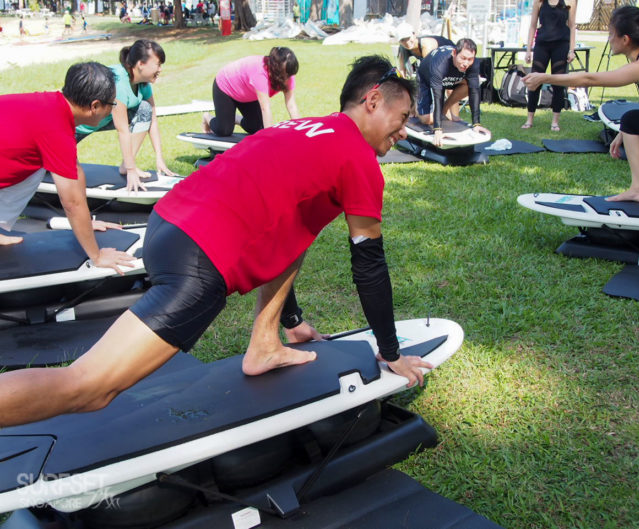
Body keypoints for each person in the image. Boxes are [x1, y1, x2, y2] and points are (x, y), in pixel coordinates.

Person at [0, 55, 434, 428]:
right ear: (373, 101)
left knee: (300, 225)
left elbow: (287, 233)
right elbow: (370, 265)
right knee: (88, 387)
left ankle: (265, 344)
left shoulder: (306, 126)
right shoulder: (358, 160)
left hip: (168, 223)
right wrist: (390, 352)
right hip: (199, 258)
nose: (403, 132)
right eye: (402, 118)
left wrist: (291, 319)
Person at [524, 6, 639, 202]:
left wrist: (544, 77)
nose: (609, 39)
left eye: (611, 34)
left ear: (625, 39)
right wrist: (625, 132)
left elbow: (590, 79)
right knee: (631, 120)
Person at [0, 62, 135, 274]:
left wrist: (86, 224)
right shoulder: (55, 130)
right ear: (95, 106)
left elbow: (74, 171)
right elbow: (71, 202)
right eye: (112, 104)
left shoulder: (53, 105)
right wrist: (97, 256)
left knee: (34, 167)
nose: (113, 109)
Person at [75, 40, 176, 193]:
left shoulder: (143, 83)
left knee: (145, 109)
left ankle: (125, 164)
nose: (160, 69)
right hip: (75, 127)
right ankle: (127, 166)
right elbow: (123, 130)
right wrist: (131, 170)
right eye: (158, 64)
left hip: (101, 121)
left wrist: (159, 158)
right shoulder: (118, 82)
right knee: (44, 167)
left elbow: (152, 120)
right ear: (141, 64)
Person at [203, 46, 300, 136]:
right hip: (226, 87)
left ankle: (235, 118)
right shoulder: (260, 73)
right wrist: (269, 139)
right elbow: (265, 108)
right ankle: (207, 117)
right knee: (224, 130)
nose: (288, 79)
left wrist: (300, 131)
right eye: (284, 75)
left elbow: (291, 105)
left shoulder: (288, 74)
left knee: (257, 127)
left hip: (247, 93)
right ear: (275, 69)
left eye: (289, 74)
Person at [416, 39, 490, 147]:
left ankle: (445, 109)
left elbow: (474, 91)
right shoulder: (441, 63)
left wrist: (476, 124)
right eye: (463, 58)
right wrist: (438, 130)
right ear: (454, 53)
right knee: (426, 119)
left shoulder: (473, 64)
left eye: (470, 59)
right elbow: (438, 97)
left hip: (450, 78)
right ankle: (414, 104)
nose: (466, 63)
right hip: (425, 77)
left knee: (469, 85)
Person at [522, 0, 577, 132]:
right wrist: (528, 49)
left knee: (558, 83)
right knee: (534, 82)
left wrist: (571, 50)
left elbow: (572, 26)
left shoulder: (569, 2)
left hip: (561, 45)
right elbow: (532, 26)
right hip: (542, 45)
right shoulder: (539, 2)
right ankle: (529, 119)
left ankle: (555, 121)